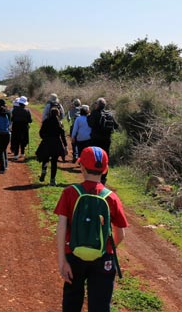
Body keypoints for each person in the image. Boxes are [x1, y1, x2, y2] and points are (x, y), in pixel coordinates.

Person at [54, 146, 129, 312]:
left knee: (72, 303)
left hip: (74, 255)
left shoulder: (69, 193)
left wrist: (62, 261)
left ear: (81, 166)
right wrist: (105, 249)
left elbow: (61, 228)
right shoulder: (112, 197)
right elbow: (121, 234)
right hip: (103, 259)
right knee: (100, 306)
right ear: (105, 169)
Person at [88, 98, 116, 184]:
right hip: (106, 140)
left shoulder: (95, 113)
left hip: (96, 140)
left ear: (98, 105)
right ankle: (103, 178)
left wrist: (89, 116)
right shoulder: (109, 114)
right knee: (105, 158)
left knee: (95, 158)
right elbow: (116, 126)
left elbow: (90, 124)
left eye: (95, 103)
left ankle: (95, 177)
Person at [37, 106, 67, 185]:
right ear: (58, 114)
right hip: (56, 143)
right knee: (54, 162)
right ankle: (52, 180)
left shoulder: (46, 121)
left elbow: (41, 133)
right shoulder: (59, 123)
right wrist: (65, 146)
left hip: (47, 142)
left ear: (50, 113)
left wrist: (44, 138)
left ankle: (44, 171)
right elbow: (63, 135)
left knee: (45, 159)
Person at [10, 96, 33, 160]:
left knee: (16, 140)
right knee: (23, 140)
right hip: (24, 127)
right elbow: (30, 120)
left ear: (19, 103)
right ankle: (22, 153)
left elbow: (12, 119)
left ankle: (16, 154)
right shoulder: (27, 110)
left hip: (16, 127)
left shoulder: (14, 110)